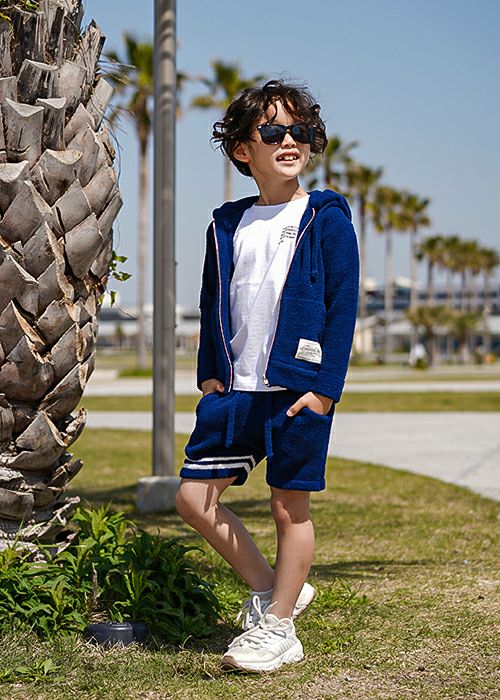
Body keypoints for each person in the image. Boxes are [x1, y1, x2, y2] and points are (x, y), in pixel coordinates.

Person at [175, 79, 360, 673]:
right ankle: (270, 588)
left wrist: (325, 390)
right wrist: (210, 374)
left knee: (289, 509)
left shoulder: (325, 217)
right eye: (273, 131)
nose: (289, 141)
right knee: (193, 498)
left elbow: (343, 306)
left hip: (296, 389)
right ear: (242, 149)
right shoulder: (226, 224)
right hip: (236, 389)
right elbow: (212, 302)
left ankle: (279, 628)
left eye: (299, 131)